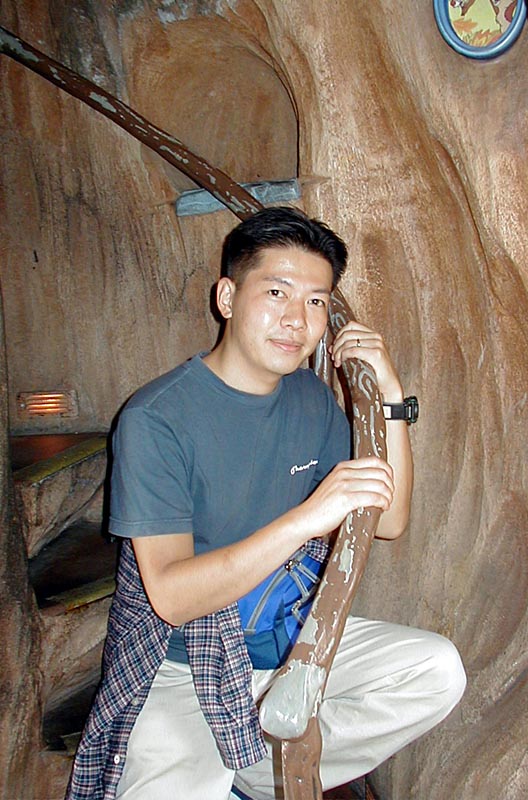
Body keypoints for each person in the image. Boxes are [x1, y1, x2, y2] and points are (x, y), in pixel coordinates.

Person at [65, 207, 465, 800]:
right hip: (184, 662)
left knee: (434, 671)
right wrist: (307, 518)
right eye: (276, 292)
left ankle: (258, 770)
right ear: (227, 298)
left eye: (315, 301)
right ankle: (241, 758)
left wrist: (390, 396)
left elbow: (391, 520)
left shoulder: (309, 399)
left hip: (283, 637)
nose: (296, 319)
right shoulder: (157, 419)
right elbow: (172, 598)